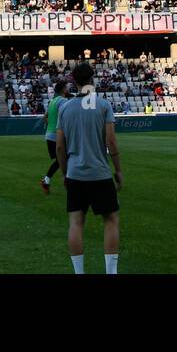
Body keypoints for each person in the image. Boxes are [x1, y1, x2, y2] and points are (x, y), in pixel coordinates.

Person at [56, 63, 122, 274]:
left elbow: (59, 146)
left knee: (76, 223)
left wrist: (65, 172)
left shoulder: (65, 107)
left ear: (74, 82)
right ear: (92, 80)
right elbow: (111, 142)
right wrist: (118, 170)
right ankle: (111, 272)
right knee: (111, 221)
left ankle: (79, 272)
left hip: (75, 173)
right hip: (100, 173)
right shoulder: (103, 105)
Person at [40, 81, 68, 195]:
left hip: (49, 135)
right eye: (66, 87)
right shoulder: (62, 101)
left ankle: (46, 180)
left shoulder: (52, 102)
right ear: (62, 89)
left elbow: (44, 118)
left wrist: (51, 125)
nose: (67, 89)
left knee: (60, 160)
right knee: (66, 158)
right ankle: (67, 181)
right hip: (58, 136)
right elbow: (65, 116)